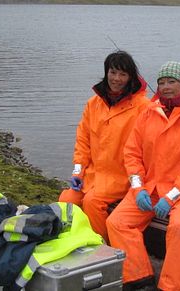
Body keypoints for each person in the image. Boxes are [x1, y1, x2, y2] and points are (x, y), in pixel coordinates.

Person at [106, 61, 180, 291]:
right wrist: (138, 189)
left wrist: (172, 196)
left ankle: (170, 287)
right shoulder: (148, 112)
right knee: (116, 222)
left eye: (171, 81)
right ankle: (139, 278)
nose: (165, 86)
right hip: (150, 187)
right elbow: (132, 154)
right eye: (161, 82)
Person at [59, 50, 150, 243]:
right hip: (92, 174)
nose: (116, 78)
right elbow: (82, 143)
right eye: (113, 72)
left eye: (123, 74)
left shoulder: (143, 107)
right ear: (106, 72)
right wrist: (77, 172)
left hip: (122, 176)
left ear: (131, 78)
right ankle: (74, 241)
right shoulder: (93, 104)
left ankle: (102, 247)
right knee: (67, 200)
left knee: (92, 201)